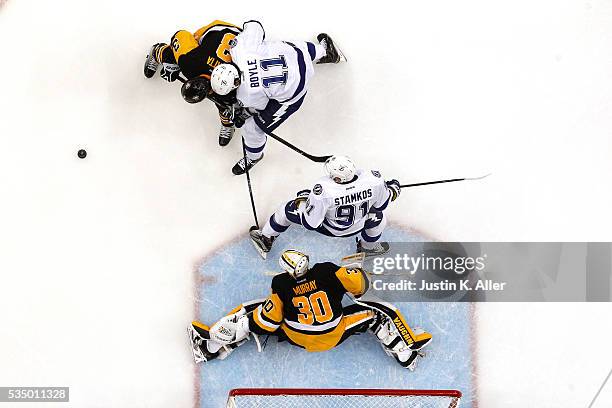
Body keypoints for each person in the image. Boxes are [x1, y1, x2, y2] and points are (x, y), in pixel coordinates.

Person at [188, 250, 432, 370]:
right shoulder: (326, 270)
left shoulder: (281, 284)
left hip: (297, 337)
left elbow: (269, 322)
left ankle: (210, 347)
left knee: (250, 311)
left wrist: (250, 323)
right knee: (375, 318)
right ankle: (404, 355)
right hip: (334, 335)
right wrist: (353, 273)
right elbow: (360, 285)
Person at [183, 20, 345, 175]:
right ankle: (324, 51)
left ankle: (253, 157)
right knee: (280, 48)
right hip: (298, 53)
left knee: (253, 128)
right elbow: (254, 25)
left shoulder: (246, 94)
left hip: (295, 90)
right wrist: (244, 40)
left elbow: (259, 109)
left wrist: (242, 114)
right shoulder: (241, 51)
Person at [249, 155, 402, 258]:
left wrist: (305, 199)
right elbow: (382, 204)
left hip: (332, 228)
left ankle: (265, 238)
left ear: (336, 177)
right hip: (359, 225)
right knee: (380, 218)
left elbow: (311, 223)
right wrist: (392, 189)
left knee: (285, 210)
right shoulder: (373, 179)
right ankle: (368, 248)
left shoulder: (324, 189)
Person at [143, 20, 241, 146]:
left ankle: (228, 122)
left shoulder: (190, 63)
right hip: (221, 37)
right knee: (174, 57)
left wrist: (236, 107)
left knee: (226, 103)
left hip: (235, 35)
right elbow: (180, 35)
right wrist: (171, 66)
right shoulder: (189, 62)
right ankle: (157, 53)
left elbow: (181, 34)